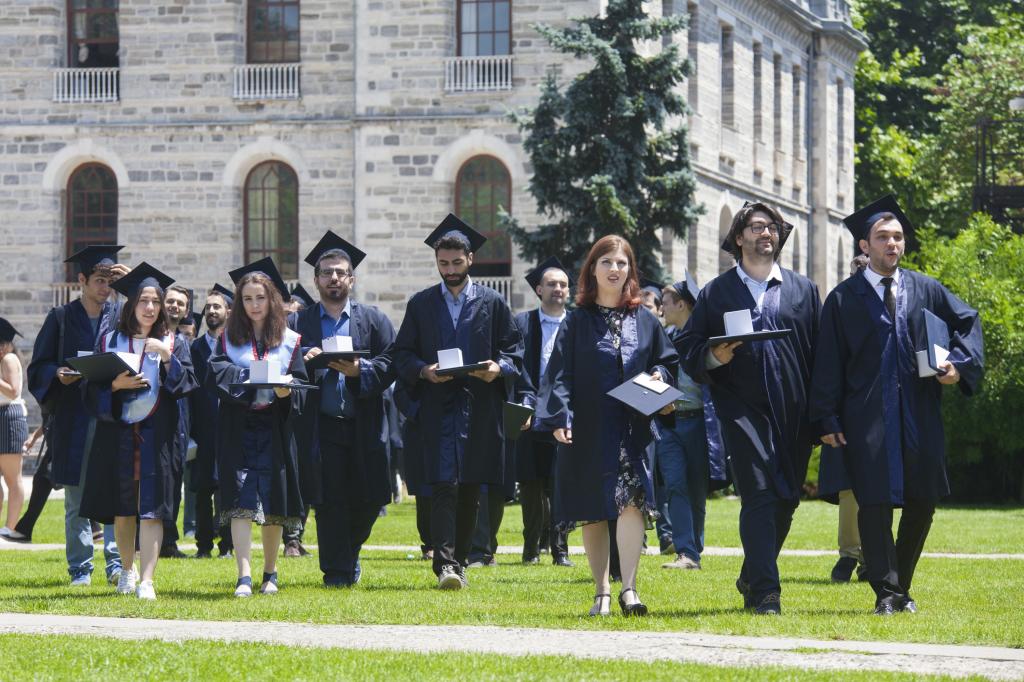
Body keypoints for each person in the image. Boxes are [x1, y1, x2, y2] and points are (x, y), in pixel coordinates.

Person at [810, 195, 984, 615]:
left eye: (898, 237)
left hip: (918, 413)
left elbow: (968, 321)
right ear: (864, 246)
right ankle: (886, 592)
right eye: (882, 237)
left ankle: (899, 584)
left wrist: (958, 366)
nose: (892, 244)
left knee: (922, 502)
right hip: (865, 417)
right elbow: (828, 363)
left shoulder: (925, 288)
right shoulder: (843, 298)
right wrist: (826, 418)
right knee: (874, 504)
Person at [676, 202, 820, 615]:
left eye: (771, 227)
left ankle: (751, 571)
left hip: (793, 411)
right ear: (738, 237)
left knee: (786, 499)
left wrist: (823, 414)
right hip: (741, 410)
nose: (766, 233)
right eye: (756, 227)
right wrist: (714, 356)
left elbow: (821, 356)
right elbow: (688, 345)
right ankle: (765, 592)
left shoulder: (802, 290)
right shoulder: (717, 292)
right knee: (757, 494)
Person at [537, 235, 678, 617]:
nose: (615, 270)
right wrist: (559, 416)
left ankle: (629, 589)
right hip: (589, 424)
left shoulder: (644, 320)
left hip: (632, 424)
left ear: (630, 270)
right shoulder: (577, 322)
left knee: (632, 504)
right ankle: (601, 590)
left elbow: (667, 361)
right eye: (607, 263)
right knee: (594, 507)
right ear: (592, 269)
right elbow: (559, 374)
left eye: (622, 263)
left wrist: (657, 375)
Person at [392, 214, 524, 590]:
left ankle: (461, 560)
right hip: (437, 407)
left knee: (471, 485)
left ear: (470, 260)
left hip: (478, 405)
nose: (449, 270)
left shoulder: (492, 302)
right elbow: (402, 354)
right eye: (443, 263)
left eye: (456, 262)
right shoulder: (421, 304)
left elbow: (514, 350)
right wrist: (423, 370)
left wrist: (498, 369)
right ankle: (446, 564)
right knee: (443, 484)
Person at [79, 263, 198, 599]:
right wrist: (114, 386)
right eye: (144, 301)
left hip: (158, 436)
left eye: (155, 302)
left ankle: (147, 579)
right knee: (123, 507)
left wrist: (167, 360)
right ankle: (126, 572)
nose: (150, 308)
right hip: (119, 435)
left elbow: (189, 385)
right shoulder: (110, 339)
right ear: (130, 304)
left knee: (153, 508)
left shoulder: (173, 341)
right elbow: (90, 390)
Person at [288, 231, 397, 587]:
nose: (334, 278)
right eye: (326, 272)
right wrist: (306, 360)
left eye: (340, 272)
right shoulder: (298, 324)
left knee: (369, 498)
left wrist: (359, 371)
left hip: (364, 420)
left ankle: (348, 555)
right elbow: (284, 365)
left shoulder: (374, 319)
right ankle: (336, 572)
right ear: (316, 279)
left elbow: (390, 363)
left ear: (351, 278)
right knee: (329, 500)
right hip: (321, 425)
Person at [26, 245, 125, 586]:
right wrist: (56, 373)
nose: (104, 288)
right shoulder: (61, 318)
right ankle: (81, 569)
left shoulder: (118, 316)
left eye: (109, 282)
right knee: (76, 498)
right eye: (98, 280)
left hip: (110, 415)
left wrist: (130, 286)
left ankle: (116, 563)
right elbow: (38, 365)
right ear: (81, 280)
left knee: (114, 492)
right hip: (74, 418)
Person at [209, 258, 307, 597]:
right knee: (239, 499)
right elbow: (217, 373)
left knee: (273, 502)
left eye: (260, 298)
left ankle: (271, 572)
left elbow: (301, 385)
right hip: (239, 425)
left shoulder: (290, 339)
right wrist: (246, 375)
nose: (254, 305)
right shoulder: (228, 338)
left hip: (275, 427)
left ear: (272, 300)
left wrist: (286, 391)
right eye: (247, 299)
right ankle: (244, 576)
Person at [656, 273, 724, 570]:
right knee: (675, 485)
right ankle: (686, 551)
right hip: (668, 423)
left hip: (699, 423)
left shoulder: (704, 341)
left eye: (666, 303)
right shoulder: (664, 340)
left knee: (696, 487)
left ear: (682, 305)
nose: (661, 308)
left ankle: (694, 548)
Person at [514, 257, 573, 567]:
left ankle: (560, 549)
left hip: (565, 416)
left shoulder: (577, 324)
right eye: (552, 284)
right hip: (531, 414)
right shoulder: (523, 323)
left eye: (563, 284)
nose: (559, 289)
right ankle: (531, 550)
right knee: (531, 484)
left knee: (560, 484)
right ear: (539, 289)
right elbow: (517, 366)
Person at [818, 254, 870, 583]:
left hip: (881, 408)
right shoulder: (838, 301)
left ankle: (871, 557)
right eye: (857, 268)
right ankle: (850, 554)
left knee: (879, 489)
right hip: (846, 408)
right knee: (850, 487)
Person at [189, 283, 234, 559]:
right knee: (202, 488)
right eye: (209, 307)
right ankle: (203, 544)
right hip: (202, 427)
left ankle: (227, 544)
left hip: (230, 425)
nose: (212, 311)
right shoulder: (195, 348)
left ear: (229, 311)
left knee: (228, 487)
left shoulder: (236, 346)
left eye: (218, 306)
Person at [158, 284, 193, 559]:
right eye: (170, 301)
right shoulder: (148, 336)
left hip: (178, 421)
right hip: (151, 416)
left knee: (174, 480)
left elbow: (188, 381)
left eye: (180, 303)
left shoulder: (181, 343)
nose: (175, 307)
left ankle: (169, 541)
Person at [0, 318, 28, 540]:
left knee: (12, 478)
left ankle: (10, 527)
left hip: (9, 416)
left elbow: (13, 391)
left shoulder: (9, 359)